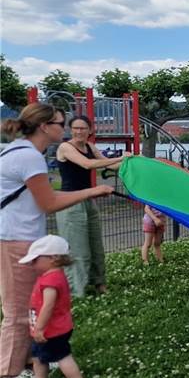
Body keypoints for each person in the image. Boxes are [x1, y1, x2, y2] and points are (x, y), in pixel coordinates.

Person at [1, 103, 112, 377]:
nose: (65, 130)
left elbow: (42, 199)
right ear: (44, 126)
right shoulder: (29, 157)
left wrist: (91, 191)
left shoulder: (20, 151)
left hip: (22, 237)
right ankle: (8, 371)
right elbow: (49, 202)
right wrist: (91, 192)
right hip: (15, 239)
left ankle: (28, 361)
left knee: (30, 303)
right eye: (61, 124)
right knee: (16, 313)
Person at [55, 115, 126, 297]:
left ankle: (100, 285)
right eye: (76, 128)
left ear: (90, 130)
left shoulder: (89, 146)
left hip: (89, 200)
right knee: (78, 251)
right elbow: (88, 164)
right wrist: (120, 156)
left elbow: (114, 166)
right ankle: (77, 293)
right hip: (70, 203)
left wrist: (133, 161)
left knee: (96, 247)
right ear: (71, 130)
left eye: (83, 128)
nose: (79, 131)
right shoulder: (65, 147)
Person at [18, 236, 81, 378]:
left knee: (63, 357)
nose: (32, 264)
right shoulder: (54, 275)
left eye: (35, 260)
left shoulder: (51, 281)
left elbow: (48, 305)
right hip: (54, 329)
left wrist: (39, 328)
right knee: (38, 358)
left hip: (50, 331)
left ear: (53, 258)